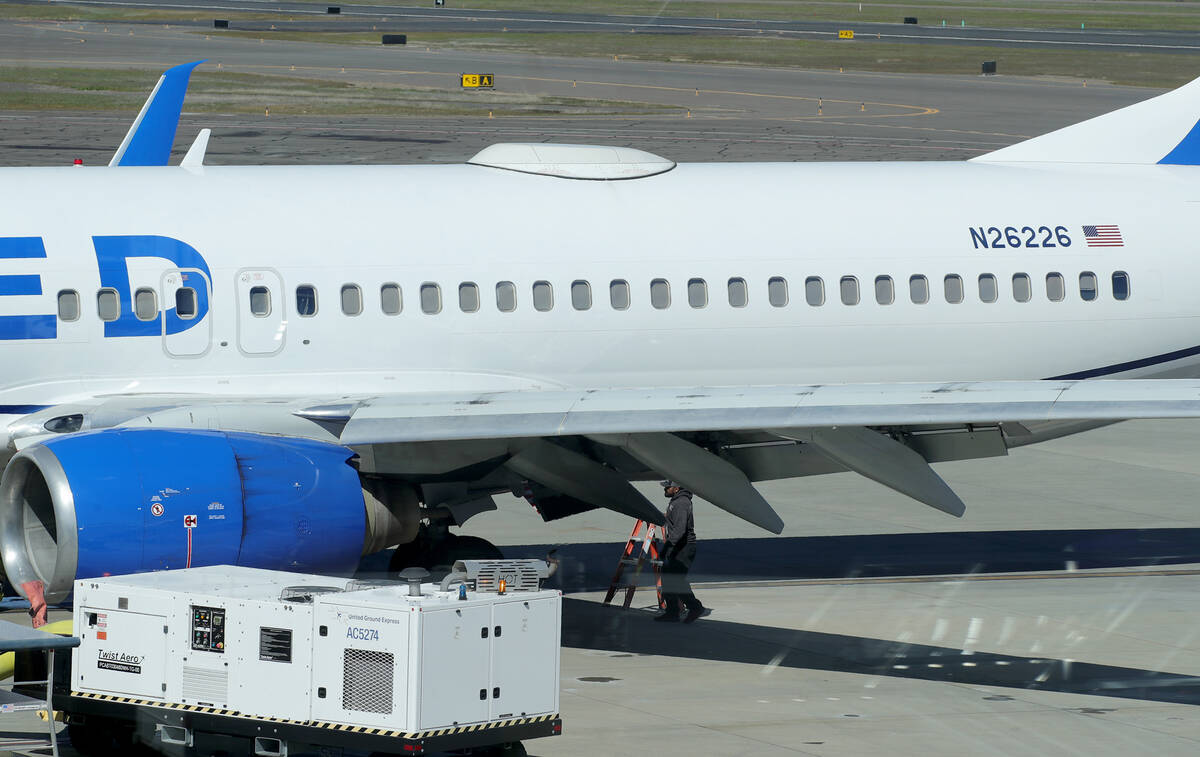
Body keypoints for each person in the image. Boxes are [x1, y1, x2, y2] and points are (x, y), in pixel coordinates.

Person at [655, 480, 705, 623]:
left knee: (676, 580)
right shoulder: (676, 501)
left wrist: (666, 548)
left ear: (676, 488)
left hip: (683, 548)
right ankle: (672, 612)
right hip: (677, 546)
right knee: (667, 577)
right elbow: (674, 520)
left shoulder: (681, 503)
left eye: (668, 487)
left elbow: (680, 530)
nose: (665, 489)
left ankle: (695, 607)